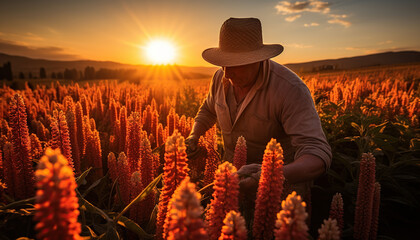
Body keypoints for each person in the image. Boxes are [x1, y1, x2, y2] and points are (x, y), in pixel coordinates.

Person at [185, 17, 332, 210]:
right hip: (231, 185)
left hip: (278, 194)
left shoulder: (290, 89)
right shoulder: (220, 77)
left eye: (235, 64)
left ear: (258, 59)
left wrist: (270, 175)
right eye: (223, 63)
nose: (227, 73)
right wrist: (194, 135)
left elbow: (317, 155)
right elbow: (207, 110)